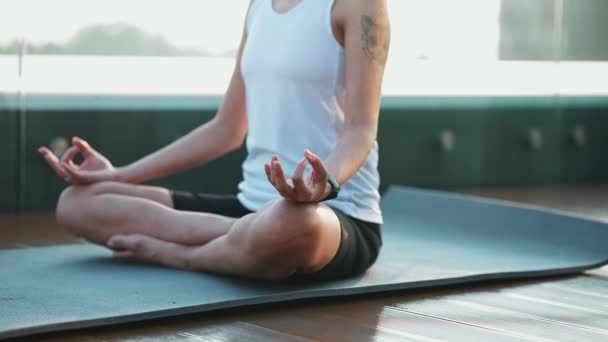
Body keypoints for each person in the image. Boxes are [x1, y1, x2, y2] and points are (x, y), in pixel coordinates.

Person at [38, 0, 390, 281]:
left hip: (332, 217)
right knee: (77, 203)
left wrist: (322, 184)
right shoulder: (258, 8)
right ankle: (239, 241)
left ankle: (180, 254)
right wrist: (119, 176)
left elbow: (360, 130)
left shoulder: (358, 4)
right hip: (250, 209)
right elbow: (226, 128)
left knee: (291, 223)